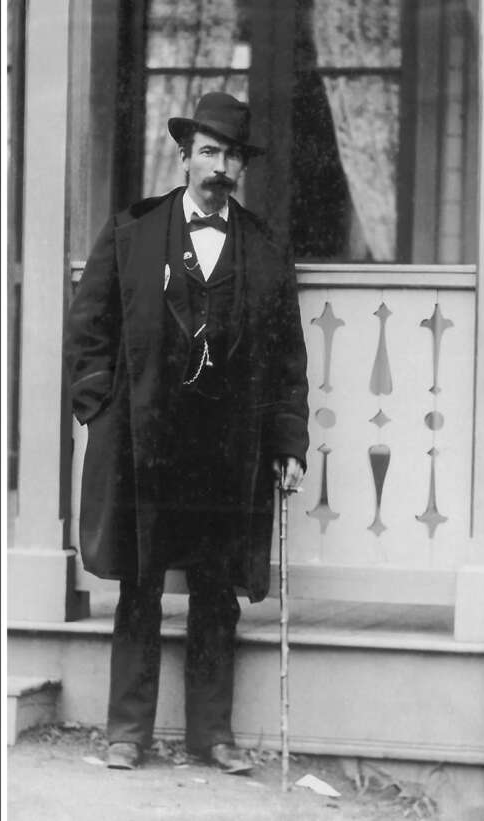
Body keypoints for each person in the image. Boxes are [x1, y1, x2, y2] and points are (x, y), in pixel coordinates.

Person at [64, 92, 308, 773]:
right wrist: (99, 411)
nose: (218, 165)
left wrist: (288, 444)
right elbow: (89, 331)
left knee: (215, 588)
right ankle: (126, 731)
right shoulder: (132, 234)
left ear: (240, 165)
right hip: (147, 436)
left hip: (225, 446)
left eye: (230, 154)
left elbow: (289, 359)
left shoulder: (263, 251)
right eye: (208, 150)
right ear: (185, 155)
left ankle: (212, 734)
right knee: (139, 584)